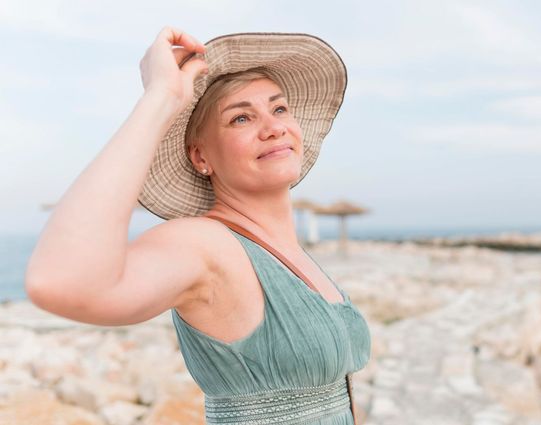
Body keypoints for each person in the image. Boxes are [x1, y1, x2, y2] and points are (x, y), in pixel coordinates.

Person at [25, 27, 371, 424]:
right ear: (201, 155)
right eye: (241, 118)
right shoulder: (205, 245)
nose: (273, 126)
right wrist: (161, 97)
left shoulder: (294, 255)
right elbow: (60, 280)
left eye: (279, 109)